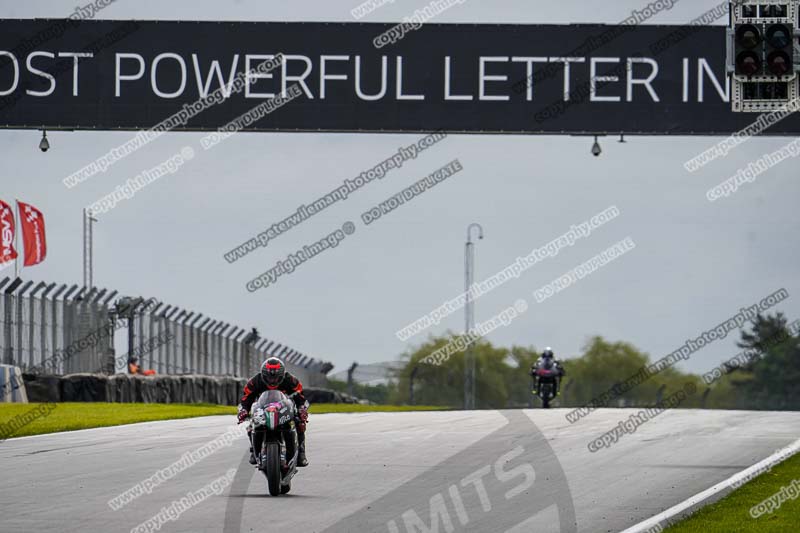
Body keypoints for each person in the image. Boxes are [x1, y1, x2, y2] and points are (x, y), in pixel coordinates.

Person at [238, 357, 309, 467]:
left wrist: (302, 409)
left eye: (276, 378)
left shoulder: (290, 380)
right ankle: (254, 450)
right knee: (251, 425)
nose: (272, 381)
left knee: (299, 423)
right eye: (269, 378)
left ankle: (301, 452)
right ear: (263, 375)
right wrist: (243, 410)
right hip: (263, 410)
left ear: (282, 375)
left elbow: (300, 397)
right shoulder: (255, 381)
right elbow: (246, 398)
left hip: (285, 410)